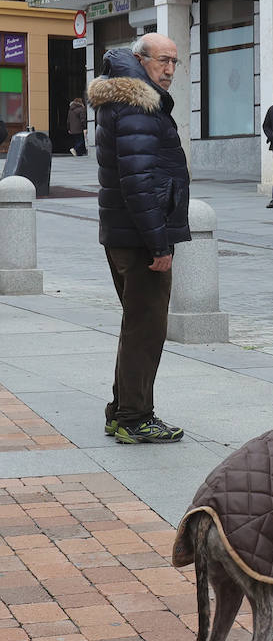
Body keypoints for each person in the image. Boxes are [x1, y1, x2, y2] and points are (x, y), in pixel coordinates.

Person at [86, 33, 191, 445]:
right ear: (140, 59)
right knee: (146, 330)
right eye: (162, 61)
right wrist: (159, 244)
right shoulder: (138, 105)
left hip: (125, 234)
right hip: (140, 239)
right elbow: (138, 182)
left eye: (174, 63)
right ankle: (134, 418)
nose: (168, 71)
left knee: (137, 326)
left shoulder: (125, 100)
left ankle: (121, 411)